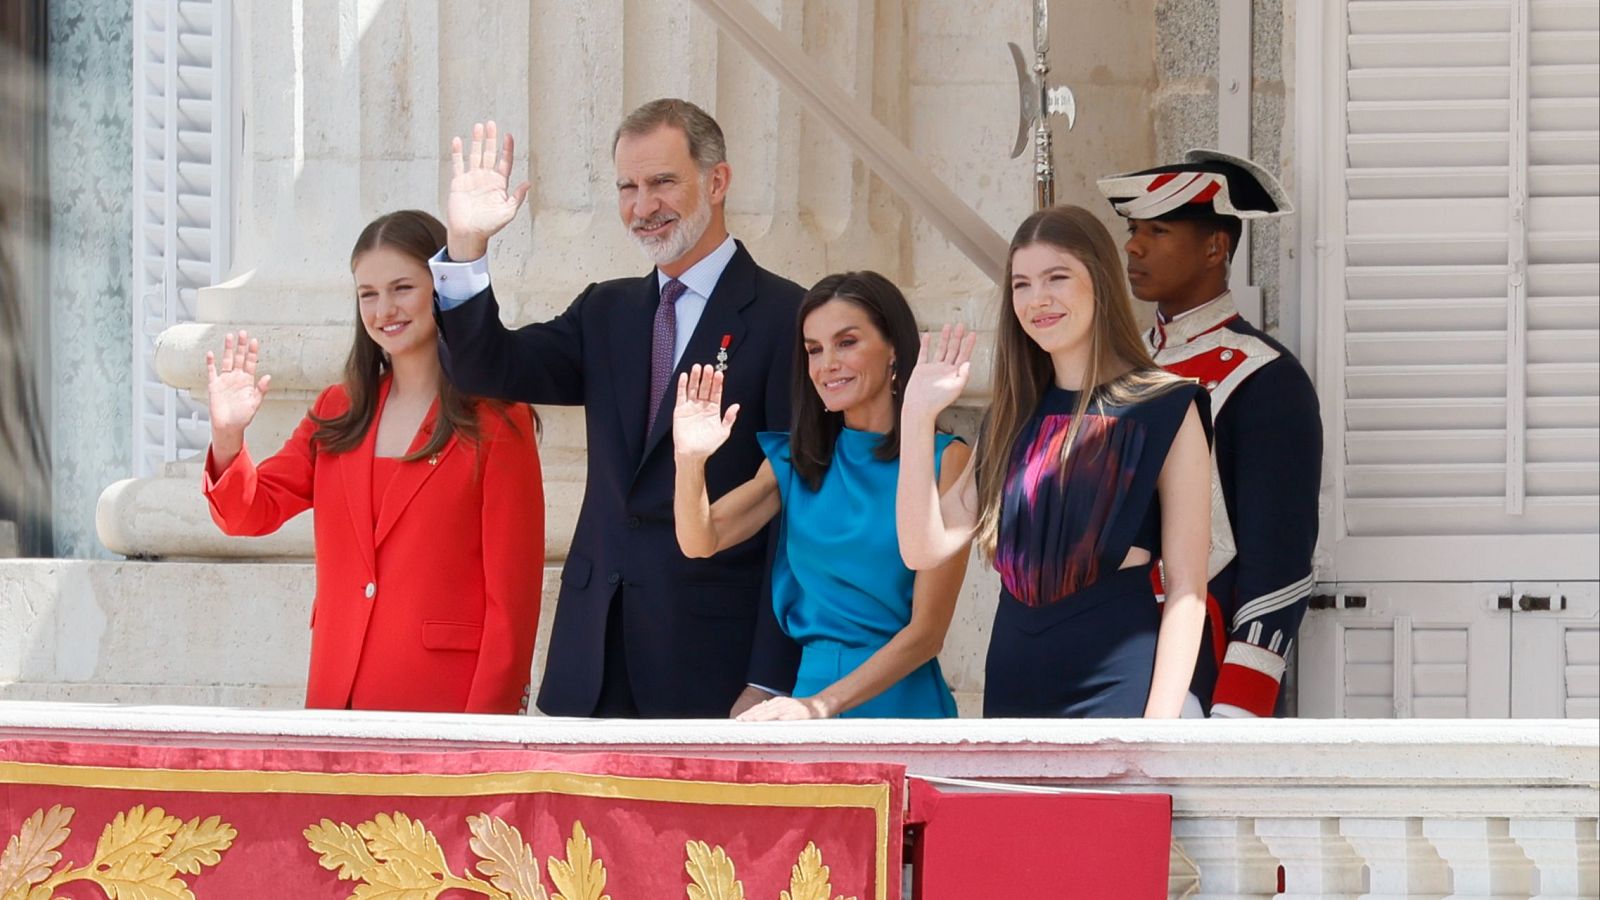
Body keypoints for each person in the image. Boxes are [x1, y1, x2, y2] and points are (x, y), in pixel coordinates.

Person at [431, 100, 803, 718]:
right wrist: (467, 244)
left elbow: (794, 509)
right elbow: (485, 366)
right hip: (592, 657)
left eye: (662, 182)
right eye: (627, 187)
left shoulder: (786, 316)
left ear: (717, 181)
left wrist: (770, 674)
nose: (642, 206)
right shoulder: (607, 311)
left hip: (714, 662)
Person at [202, 209, 543, 714]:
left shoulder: (498, 421)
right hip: (337, 702)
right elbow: (247, 513)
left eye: (402, 287)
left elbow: (512, 607)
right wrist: (228, 436)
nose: (385, 309)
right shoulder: (338, 411)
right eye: (368, 294)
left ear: (439, 288)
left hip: (447, 710)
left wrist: (485, 740)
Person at [896, 205, 1212, 718]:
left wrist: (1158, 731)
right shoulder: (1012, 414)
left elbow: (1187, 588)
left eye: (1057, 277)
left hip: (1117, 685)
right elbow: (922, 548)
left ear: (1100, 282)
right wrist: (916, 416)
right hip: (1013, 680)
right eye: (1021, 284)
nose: (1037, 299)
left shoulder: (1167, 405)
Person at [672, 272, 971, 719]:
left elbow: (927, 633)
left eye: (846, 342)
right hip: (805, 702)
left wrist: (819, 706)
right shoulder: (797, 457)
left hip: (898, 706)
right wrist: (690, 462)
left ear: (893, 348)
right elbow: (700, 541)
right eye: (814, 350)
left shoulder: (946, 460)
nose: (826, 363)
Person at [1099, 150, 1322, 718]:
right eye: (1132, 230)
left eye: (1158, 231)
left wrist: (1238, 707)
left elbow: (1279, 564)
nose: (1133, 246)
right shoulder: (1120, 366)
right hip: (1103, 653)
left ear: (1215, 248)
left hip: (1202, 662)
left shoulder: (1266, 376)